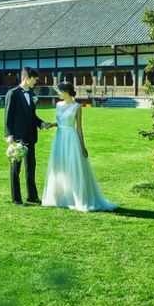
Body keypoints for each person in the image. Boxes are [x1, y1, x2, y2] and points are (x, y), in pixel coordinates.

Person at [41, 81, 117, 212]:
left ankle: (77, 197)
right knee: (60, 166)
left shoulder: (77, 107)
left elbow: (79, 128)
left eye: (59, 91)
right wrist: (51, 124)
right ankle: (61, 197)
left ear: (66, 92)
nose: (58, 94)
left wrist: (83, 146)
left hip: (71, 139)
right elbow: (60, 122)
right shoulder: (58, 105)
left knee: (73, 167)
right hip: (59, 138)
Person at [4, 67, 56, 206]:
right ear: (27, 78)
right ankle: (16, 199)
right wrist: (8, 134)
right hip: (17, 137)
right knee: (15, 170)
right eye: (35, 79)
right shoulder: (12, 93)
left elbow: (32, 116)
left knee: (31, 167)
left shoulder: (31, 93)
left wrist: (42, 123)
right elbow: (8, 116)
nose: (36, 82)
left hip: (31, 136)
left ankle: (32, 197)